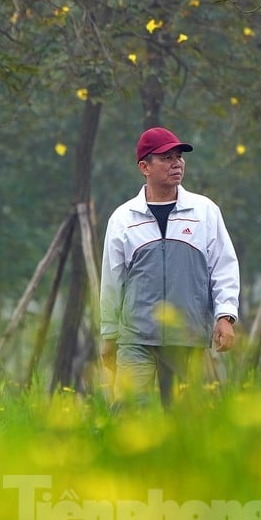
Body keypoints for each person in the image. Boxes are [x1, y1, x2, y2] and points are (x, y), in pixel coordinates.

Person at [99, 126, 240, 408]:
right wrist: (109, 334)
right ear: (144, 167)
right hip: (135, 337)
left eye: (179, 157)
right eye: (166, 157)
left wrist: (226, 315)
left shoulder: (204, 212)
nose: (176, 163)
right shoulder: (123, 218)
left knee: (184, 421)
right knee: (128, 413)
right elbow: (112, 280)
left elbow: (223, 266)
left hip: (185, 336)